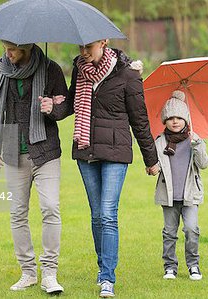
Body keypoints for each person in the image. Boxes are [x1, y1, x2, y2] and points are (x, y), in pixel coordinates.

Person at [46, 39, 159, 297]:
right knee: (96, 215)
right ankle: (102, 267)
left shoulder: (128, 74)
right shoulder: (79, 70)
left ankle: (108, 277)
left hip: (115, 152)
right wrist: (53, 108)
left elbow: (139, 119)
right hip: (86, 150)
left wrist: (150, 158)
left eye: (89, 47)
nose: (84, 53)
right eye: (80, 48)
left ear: (104, 42)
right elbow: (72, 104)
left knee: (108, 214)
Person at [0, 40, 68, 294]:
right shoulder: (0, 69)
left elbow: (66, 105)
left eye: (12, 49)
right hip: (14, 151)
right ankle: (28, 272)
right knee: (18, 214)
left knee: (51, 209)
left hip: (45, 151)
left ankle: (50, 273)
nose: (7, 53)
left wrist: (53, 108)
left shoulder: (51, 69)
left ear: (28, 48)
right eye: (5, 48)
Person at [154, 90, 208, 281]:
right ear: (164, 121)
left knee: (191, 229)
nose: (175, 121)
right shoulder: (160, 141)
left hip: (190, 194)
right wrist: (151, 167)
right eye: (170, 118)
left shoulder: (194, 140)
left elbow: (204, 164)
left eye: (179, 117)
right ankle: (170, 266)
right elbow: (155, 164)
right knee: (169, 232)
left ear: (186, 119)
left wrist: (197, 145)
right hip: (169, 196)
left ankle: (193, 265)